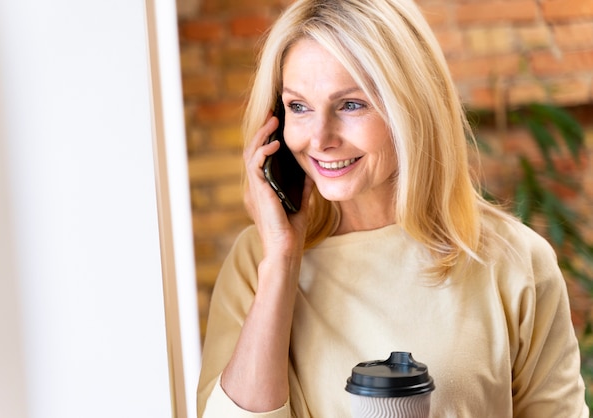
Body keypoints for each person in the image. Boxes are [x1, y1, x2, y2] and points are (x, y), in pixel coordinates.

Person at [196, 0, 590, 416]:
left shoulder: (515, 261)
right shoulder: (256, 261)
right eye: (298, 106)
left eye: (351, 104)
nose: (320, 138)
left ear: (410, 108)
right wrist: (281, 262)